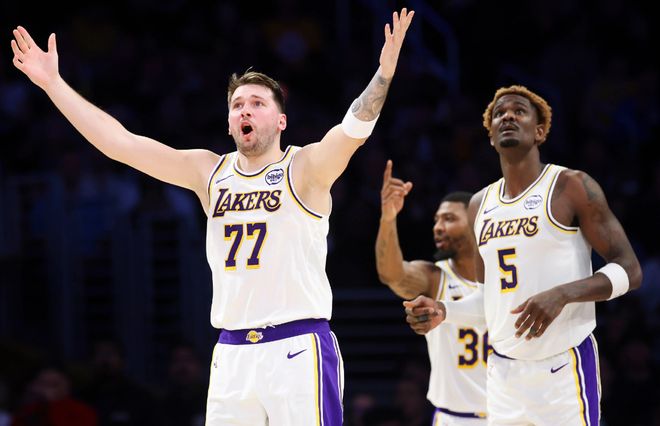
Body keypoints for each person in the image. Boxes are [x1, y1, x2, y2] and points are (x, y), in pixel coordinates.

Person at [10, 8, 414, 425]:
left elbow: (352, 129)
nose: (245, 111)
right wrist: (54, 84)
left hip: (296, 347)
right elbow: (120, 144)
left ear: (281, 120)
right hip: (231, 354)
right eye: (237, 105)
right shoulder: (209, 173)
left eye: (257, 103)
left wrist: (383, 74)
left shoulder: (305, 168)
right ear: (228, 123)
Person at [403, 85, 643, 425]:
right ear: (490, 137)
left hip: (563, 370)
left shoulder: (571, 185)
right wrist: (444, 310)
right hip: (503, 377)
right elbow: (490, 300)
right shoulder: (479, 205)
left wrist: (563, 294)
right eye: (499, 114)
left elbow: (630, 270)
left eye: (519, 111)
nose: (508, 117)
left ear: (540, 131)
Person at [376, 160, 487, 425]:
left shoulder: (505, 276)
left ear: (476, 223)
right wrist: (388, 218)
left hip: (509, 414)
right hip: (454, 418)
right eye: (437, 219)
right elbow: (392, 274)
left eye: (449, 219)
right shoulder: (435, 277)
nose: (438, 226)